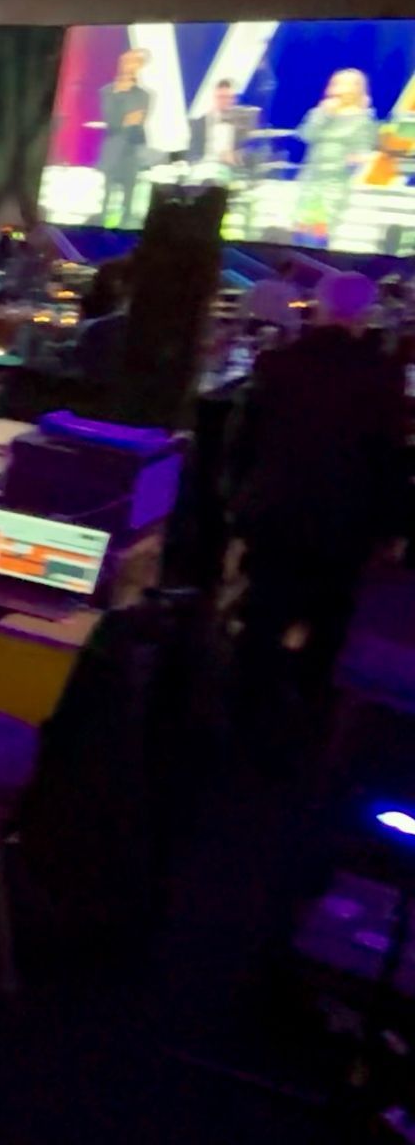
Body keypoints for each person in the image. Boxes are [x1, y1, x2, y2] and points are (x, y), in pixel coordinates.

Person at [228, 270, 406, 729]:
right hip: (345, 519)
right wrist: (392, 527)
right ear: (366, 313)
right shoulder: (382, 375)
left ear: (319, 306)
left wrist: (239, 503)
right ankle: (308, 716)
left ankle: (244, 712)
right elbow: (386, 459)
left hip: (277, 510)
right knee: (330, 622)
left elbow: (245, 445)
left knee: (264, 613)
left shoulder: (278, 363)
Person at [297, 68, 378, 245]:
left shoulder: (363, 119)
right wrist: (323, 114)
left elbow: (363, 149)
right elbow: (306, 135)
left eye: (341, 83)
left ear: (355, 88)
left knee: (319, 231)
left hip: (335, 183)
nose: (335, 88)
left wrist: (357, 159)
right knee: (300, 227)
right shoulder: (319, 113)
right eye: (334, 83)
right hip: (310, 178)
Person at [98, 47, 153, 229]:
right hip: (112, 151)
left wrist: (124, 120)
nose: (130, 65)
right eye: (128, 61)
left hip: (131, 153)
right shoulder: (106, 91)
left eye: (135, 62)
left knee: (127, 206)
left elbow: (138, 121)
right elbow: (110, 119)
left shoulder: (143, 95)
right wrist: (125, 119)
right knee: (105, 202)